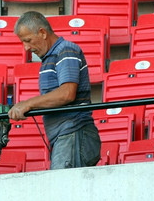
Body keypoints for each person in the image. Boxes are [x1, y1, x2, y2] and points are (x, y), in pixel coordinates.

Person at [8, 11, 101, 169]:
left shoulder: (65, 50)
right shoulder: (50, 57)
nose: (26, 48)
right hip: (67, 137)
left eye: (28, 40)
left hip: (74, 133)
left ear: (42, 33)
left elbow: (67, 93)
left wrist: (28, 103)